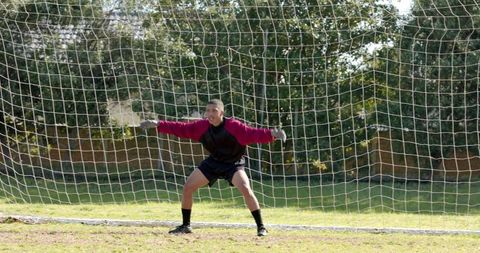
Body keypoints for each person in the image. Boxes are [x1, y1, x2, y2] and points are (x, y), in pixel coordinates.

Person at [140, 99, 286, 236]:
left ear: (221, 113)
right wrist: (158, 124)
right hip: (213, 162)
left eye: (214, 111)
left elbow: (253, 134)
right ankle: (185, 225)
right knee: (188, 187)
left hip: (233, 164)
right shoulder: (201, 127)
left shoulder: (234, 126)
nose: (210, 114)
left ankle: (261, 227)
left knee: (246, 189)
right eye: (208, 111)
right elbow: (181, 128)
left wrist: (272, 133)